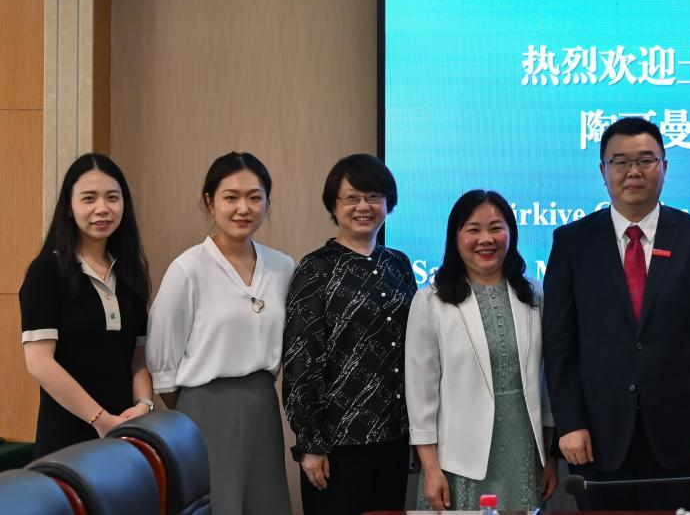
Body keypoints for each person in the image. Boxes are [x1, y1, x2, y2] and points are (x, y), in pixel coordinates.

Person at [543, 116, 690, 511]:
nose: (634, 171)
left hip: (679, 434)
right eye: (620, 162)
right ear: (603, 171)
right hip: (596, 435)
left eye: (646, 160)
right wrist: (569, 422)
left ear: (665, 167)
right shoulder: (572, 242)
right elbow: (560, 344)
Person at [147, 152, 295, 515]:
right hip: (202, 409)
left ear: (267, 202)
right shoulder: (187, 268)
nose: (243, 208)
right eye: (231, 197)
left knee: (264, 503)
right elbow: (163, 362)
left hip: (262, 406)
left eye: (254, 197)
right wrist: (196, 410)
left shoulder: (282, 267)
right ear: (210, 202)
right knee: (216, 505)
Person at [406, 190, 556, 511]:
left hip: (524, 453)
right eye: (473, 229)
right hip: (458, 460)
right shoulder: (431, 301)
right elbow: (420, 392)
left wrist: (550, 456)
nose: (486, 239)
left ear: (511, 233)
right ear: (456, 237)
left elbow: (548, 383)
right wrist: (431, 468)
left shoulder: (535, 294)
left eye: (496, 228)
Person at [283, 154, 417, 515]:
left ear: (388, 203)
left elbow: (416, 350)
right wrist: (310, 443)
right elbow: (300, 361)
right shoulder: (316, 269)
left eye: (374, 196)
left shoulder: (399, 264)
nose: (363, 206)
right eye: (352, 198)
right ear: (334, 205)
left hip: (394, 436)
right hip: (336, 443)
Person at [20, 153, 154, 457]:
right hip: (66, 442)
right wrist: (101, 420)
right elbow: (39, 363)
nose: (102, 208)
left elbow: (138, 360)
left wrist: (144, 405)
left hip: (124, 437)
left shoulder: (129, 273)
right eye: (89, 198)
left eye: (112, 198)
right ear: (69, 206)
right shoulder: (46, 271)